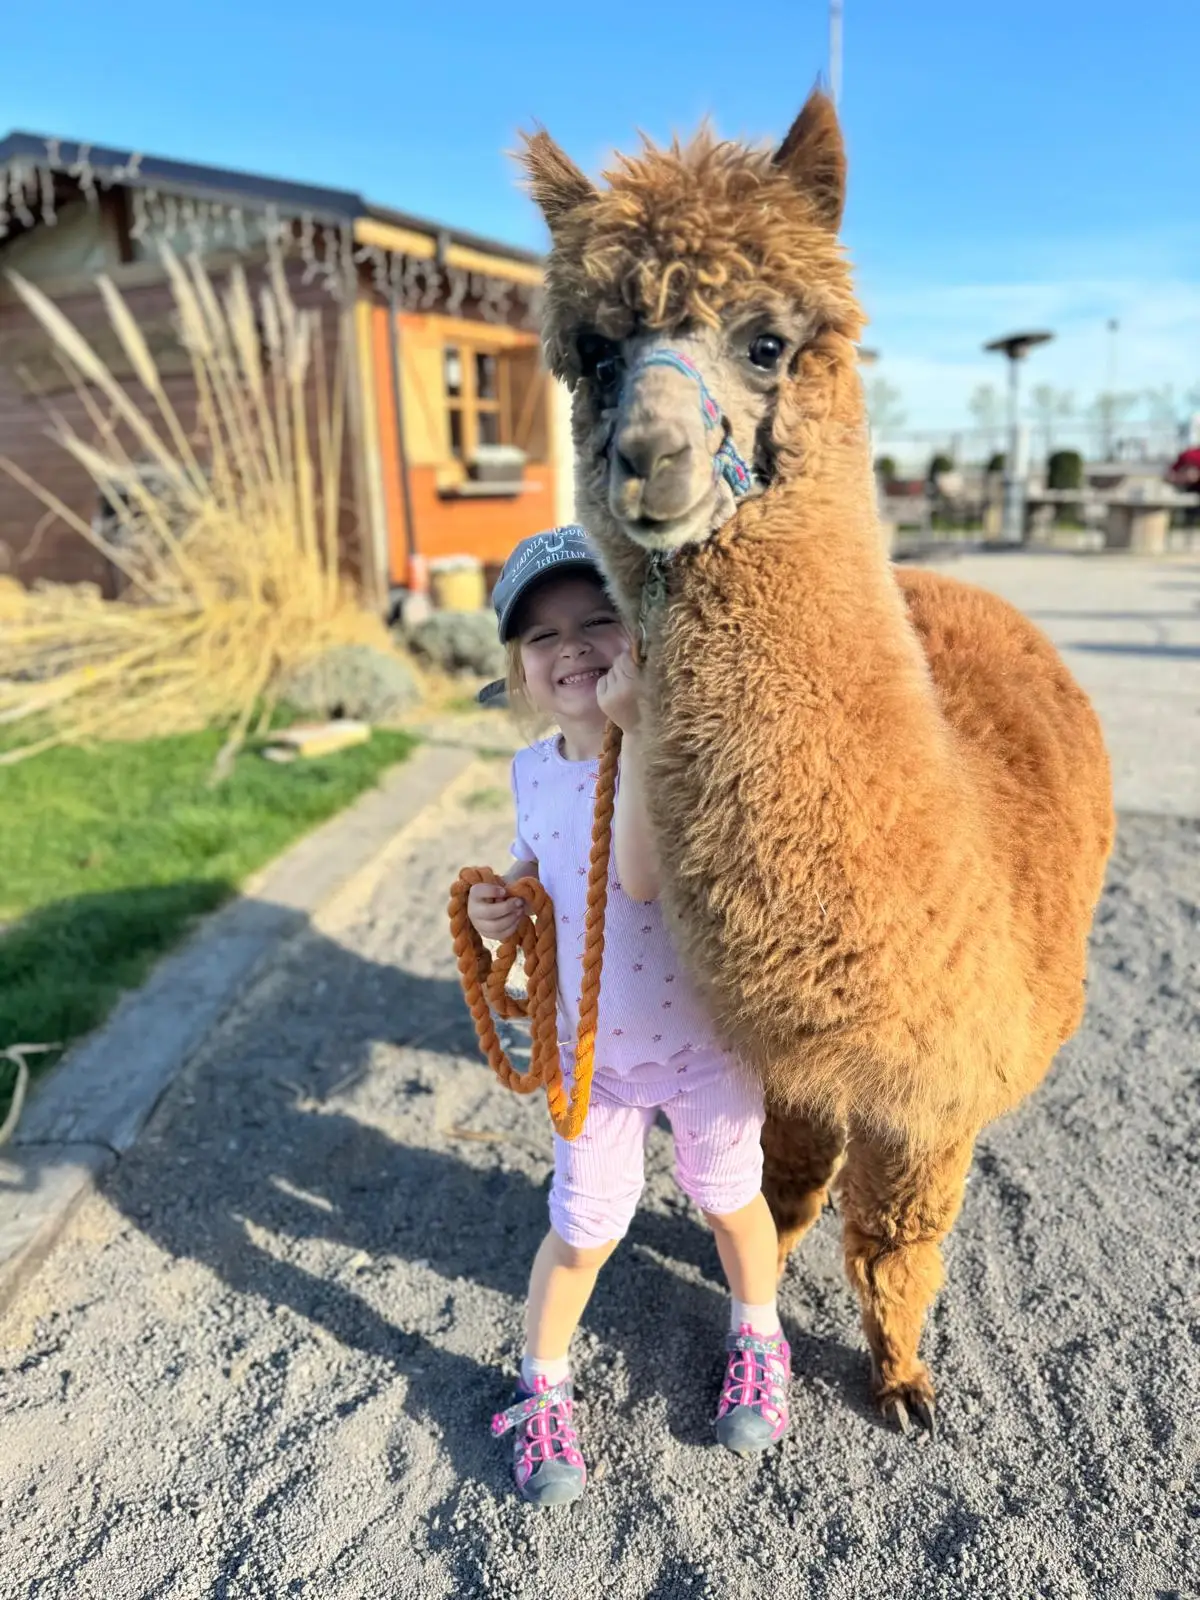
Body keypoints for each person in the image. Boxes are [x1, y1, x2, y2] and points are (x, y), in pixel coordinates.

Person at [468, 526, 789, 1507]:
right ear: (520, 671)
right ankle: (541, 1382)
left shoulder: (674, 754)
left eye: (595, 620)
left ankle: (759, 1331)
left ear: (642, 636)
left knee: (729, 1201)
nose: (571, 647)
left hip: (702, 1046)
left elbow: (641, 880)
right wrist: (498, 903)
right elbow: (536, 859)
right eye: (542, 636)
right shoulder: (531, 770)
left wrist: (641, 728)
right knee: (581, 1231)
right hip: (593, 1058)